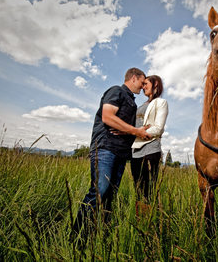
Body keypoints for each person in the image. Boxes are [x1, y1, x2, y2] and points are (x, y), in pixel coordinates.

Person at [71, 68, 151, 242]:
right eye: (142, 81)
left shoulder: (132, 102)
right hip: (105, 148)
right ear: (134, 77)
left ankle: (101, 237)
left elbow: (123, 126)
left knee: (110, 196)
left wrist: (130, 131)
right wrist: (135, 130)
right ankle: (77, 237)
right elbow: (108, 116)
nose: (143, 86)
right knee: (100, 190)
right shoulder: (117, 91)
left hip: (121, 153)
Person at [131, 75, 168, 203]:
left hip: (150, 149)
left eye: (146, 83)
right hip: (135, 151)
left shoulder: (161, 102)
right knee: (138, 191)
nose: (143, 87)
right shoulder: (141, 104)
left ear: (156, 83)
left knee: (148, 192)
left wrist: (136, 133)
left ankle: (149, 221)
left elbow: (158, 128)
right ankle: (139, 220)